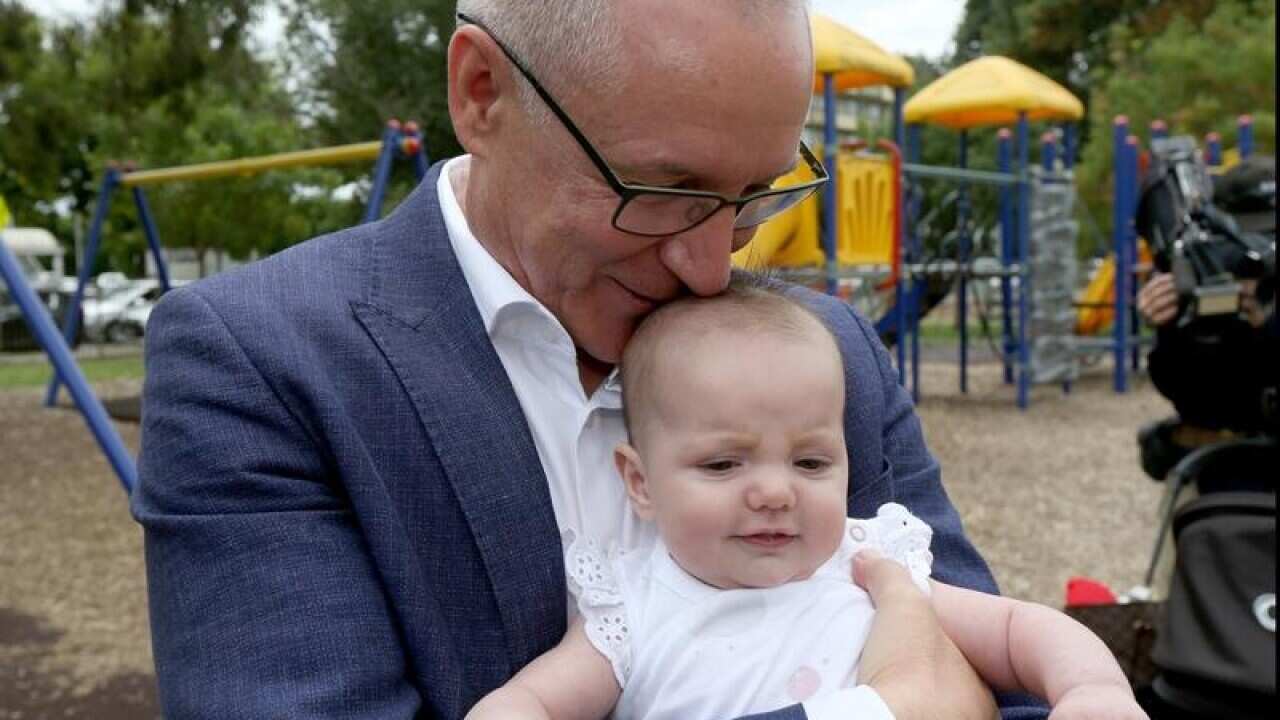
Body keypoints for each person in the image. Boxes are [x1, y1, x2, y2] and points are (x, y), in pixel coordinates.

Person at [132, 2, 1046, 717]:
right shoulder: (265, 364)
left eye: (757, 195)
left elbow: (1002, 684)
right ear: (482, 92)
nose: (711, 267)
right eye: (665, 191)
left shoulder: (827, 350)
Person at [465, 283, 1144, 720]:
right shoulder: (631, 610)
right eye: (723, 464)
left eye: (811, 462)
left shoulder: (869, 565)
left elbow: (1017, 630)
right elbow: (532, 703)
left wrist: (1093, 689)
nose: (774, 492)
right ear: (640, 483)